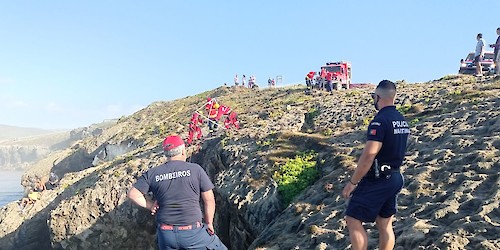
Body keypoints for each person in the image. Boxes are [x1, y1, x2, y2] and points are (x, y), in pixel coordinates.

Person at [342, 80, 410, 250]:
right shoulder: (401, 120)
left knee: (352, 218)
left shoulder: (380, 121)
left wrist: (353, 183)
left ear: (377, 97)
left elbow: (369, 155)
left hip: (379, 178)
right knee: (384, 223)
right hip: (395, 176)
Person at [127, 135, 227, 250]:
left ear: (166, 153)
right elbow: (209, 200)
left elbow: (133, 194)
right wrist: (209, 223)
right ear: (183, 151)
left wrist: (150, 205)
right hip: (193, 233)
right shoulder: (196, 170)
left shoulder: (153, 173)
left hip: (166, 235)